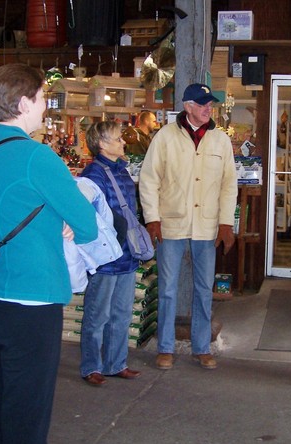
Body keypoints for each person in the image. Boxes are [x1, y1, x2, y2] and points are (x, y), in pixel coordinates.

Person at [0, 64, 98, 444]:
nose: (45, 107)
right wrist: (64, 221)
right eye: (41, 99)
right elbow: (87, 225)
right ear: (22, 103)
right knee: (25, 411)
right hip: (27, 301)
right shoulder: (37, 156)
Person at [139, 83, 238, 371]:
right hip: (171, 224)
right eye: (202, 103)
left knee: (204, 289)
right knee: (168, 288)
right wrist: (152, 218)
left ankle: (201, 347)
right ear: (188, 106)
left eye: (210, 103)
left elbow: (228, 185)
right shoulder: (165, 137)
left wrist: (225, 223)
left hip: (207, 227)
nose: (209, 108)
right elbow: (149, 180)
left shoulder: (220, 141)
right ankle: (165, 347)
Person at [78, 120, 142, 385]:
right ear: (102, 144)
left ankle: (116, 363)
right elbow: (89, 214)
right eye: (118, 139)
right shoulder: (93, 174)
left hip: (126, 253)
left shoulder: (122, 172)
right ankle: (91, 366)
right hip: (106, 257)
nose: (123, 142)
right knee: (98, 314)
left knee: (122, 313)